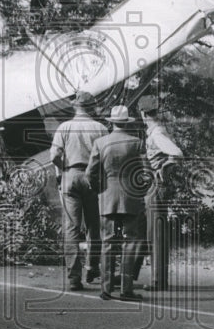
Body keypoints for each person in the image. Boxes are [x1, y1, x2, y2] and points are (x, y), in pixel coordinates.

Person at [86, 105, 148, 301]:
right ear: (126, 122)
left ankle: (105, 289)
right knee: (129, 242)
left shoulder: (100, 143)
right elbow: (145, 174)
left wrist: (98, 189)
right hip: (130, 197)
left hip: (107, 196)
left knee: (107, 242)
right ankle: (126, 289)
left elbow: (90, 173)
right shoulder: (137, 143)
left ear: (111, 122)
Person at [49, 90, 107, 290]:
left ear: (75, 106)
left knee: (72, 228)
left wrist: (63, 168)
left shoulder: (64, 127)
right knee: (94, 226)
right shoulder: (100, 128)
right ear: (91, 107)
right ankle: (92, 266)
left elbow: (54, 155)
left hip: (70, 175)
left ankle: (74, 278)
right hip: (93, 178)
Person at [135, 95, 183, 290]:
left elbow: (177, 153)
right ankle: (157, 278)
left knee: (156, 233)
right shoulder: (156, 132)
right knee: (154, 232)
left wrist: (164, 168)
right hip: (157, 186)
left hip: (157, 186)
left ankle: (159, 280)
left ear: (143, 113)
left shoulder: (156, 134)